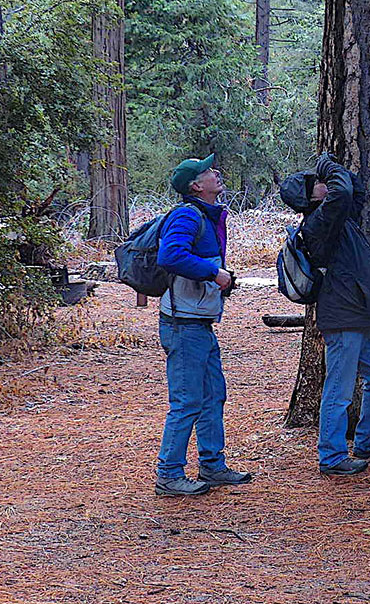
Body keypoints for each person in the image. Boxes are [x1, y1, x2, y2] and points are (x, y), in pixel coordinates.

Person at [280, 153, 370, 476]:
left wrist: (336, 167)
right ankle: (331, 456)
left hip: (361, 315)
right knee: (339, 389)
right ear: (309, 196)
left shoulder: (339, 218)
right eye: (317, 183)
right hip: (344, 316)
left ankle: (368, 440)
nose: (324, 184)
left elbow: (355, 191)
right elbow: (344, 192)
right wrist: (328, 168)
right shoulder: (319, 224)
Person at [154, 154, 253, 496]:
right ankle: (168, 474)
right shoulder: (186, 214)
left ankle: (212, 465)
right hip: (183, 326)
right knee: (187, 402)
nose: (217, 173)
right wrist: (214, 272)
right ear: (196, 186)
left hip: (200, 325)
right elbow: (170, 256)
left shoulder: (208, 217)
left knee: (213, 396)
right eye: (210, 171)